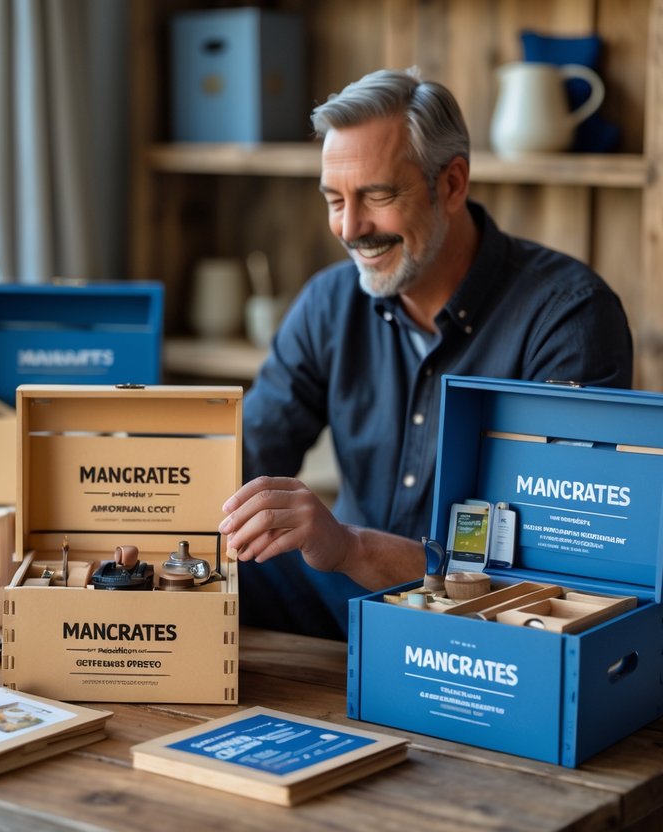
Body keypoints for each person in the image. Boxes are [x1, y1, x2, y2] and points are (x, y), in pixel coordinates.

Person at [219, 67, 633, 640]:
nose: (349, 227)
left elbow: (547, 576)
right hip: (347, 604)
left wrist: (349, 545)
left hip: (485, 631)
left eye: (377, 195)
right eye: (334, 199)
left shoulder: (569, 317)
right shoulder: (327, 302)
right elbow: (245, 461)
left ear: (453, 184)